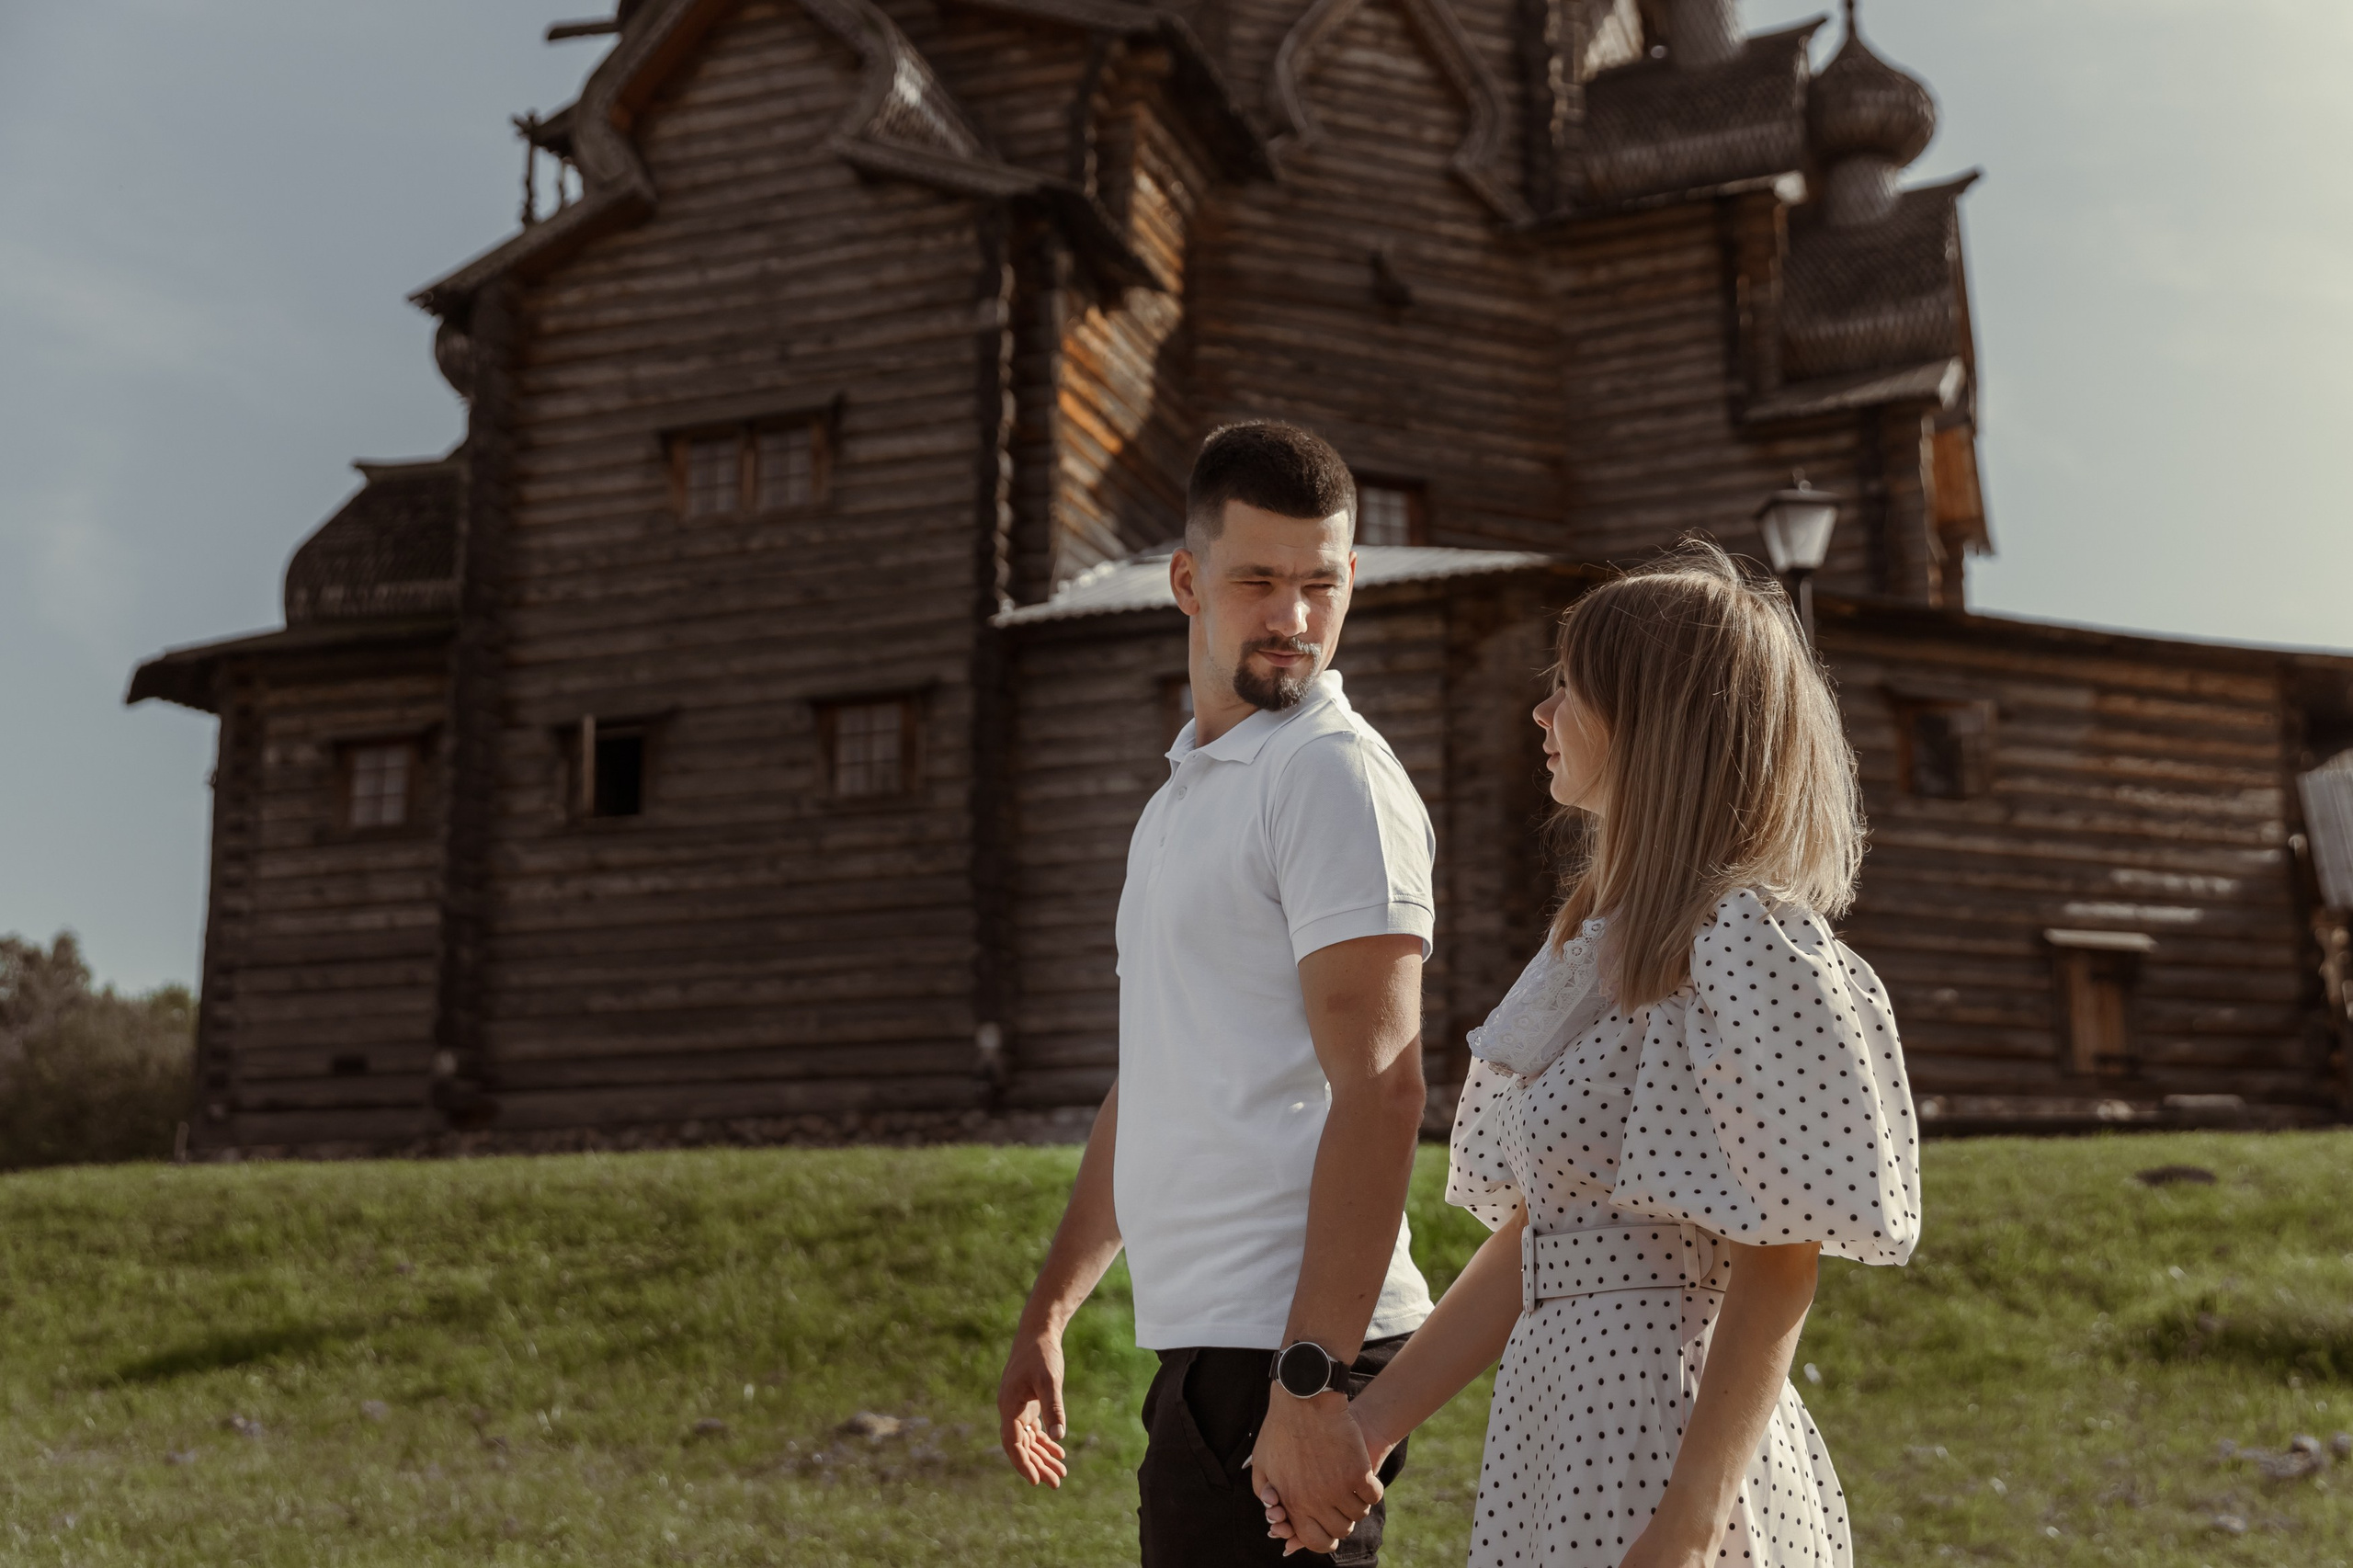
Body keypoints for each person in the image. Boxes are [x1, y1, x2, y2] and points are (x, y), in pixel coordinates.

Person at [1263, 541, 1922, 1564]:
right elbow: (1542, 1237)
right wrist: (1368, 1422)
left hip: (1667, 1427)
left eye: (1569, 687)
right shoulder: (1594, 955)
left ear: (1651, 720)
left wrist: (1691, 1520)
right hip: (1556, 1426)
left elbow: (1781, 1254)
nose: (1541, 712)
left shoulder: (1749, 942)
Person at [996, 420, 1438, 1565]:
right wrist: (1050, 1311)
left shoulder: (1328, 775)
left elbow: (1384, 1086)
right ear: (1187, 581)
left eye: (1320, 583)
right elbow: (1154, 1085)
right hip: (1218, 1351)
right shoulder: (1184, 800)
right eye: (1258, 579)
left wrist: (1309, 1380)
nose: (1293, 616)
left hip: (1291, 1351)